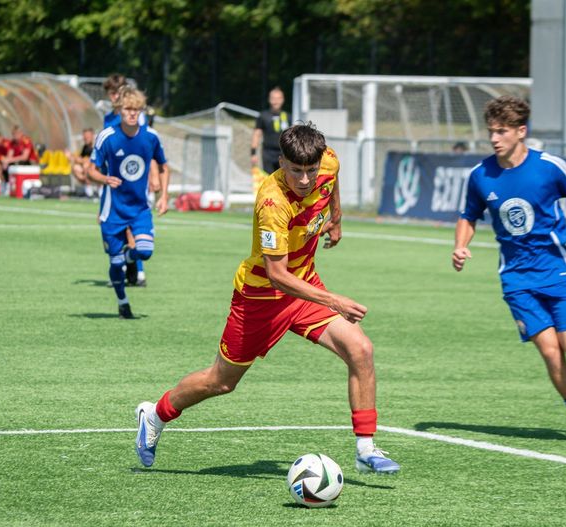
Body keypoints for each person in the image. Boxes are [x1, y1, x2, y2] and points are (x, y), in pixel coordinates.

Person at [134, 123, 401, 475]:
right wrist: (333, 300)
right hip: (260, 298)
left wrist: (336, 219)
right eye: (296, 170)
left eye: (311, 170)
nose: (304, 179)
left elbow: (331, 182)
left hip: (304, 287)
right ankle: (155, 414)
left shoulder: (328, 162)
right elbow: (278, 275)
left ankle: (365, 448)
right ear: (281, 162)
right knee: (221, 381)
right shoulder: (272, 202)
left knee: (361, 349)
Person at [452, 96, 566, 446]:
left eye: (502, 131)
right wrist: (460, 245)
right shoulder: (480, 175)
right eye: (491, 131)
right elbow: (468, 215)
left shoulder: (549, 167)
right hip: (516, 280)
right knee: (551, 352)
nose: (494, 138)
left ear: (521, 131)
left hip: (557, 273)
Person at [87, 87, 168, 318]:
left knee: (145, 251)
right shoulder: (107, 137)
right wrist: (105, 178)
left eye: (136, 109)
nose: (132, 113)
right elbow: (90, 170)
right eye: (128, 109)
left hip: (139, 208)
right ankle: (123, 302)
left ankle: (130, 258)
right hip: (112, 210)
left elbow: (163, 166)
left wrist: (164, 196)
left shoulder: (150, 137)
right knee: (115, 264)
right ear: (119, 110)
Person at [251, 86, 289, 175]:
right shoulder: (263, 116)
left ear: (282, 100)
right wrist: (253, 153)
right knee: (269, 178)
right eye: (273, 98)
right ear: (269, 99)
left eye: (278, 98)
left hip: (284, 154)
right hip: (268, 153)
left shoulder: (288, 116)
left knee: (284, 179)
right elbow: (257, 134)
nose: (276, 101)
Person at [68, 128, 96, 198]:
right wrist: (71, 157)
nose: (85, 138)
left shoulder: (96, 146)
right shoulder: (85, 147)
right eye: (84, 137)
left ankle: (98, 189)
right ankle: (88, 189)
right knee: (75, 168)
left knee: (86, 166)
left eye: (87, 137)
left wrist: (76, 159)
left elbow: (88, 160)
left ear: (92, 136)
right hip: (89, 169)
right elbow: (81, 158)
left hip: (100, 168)